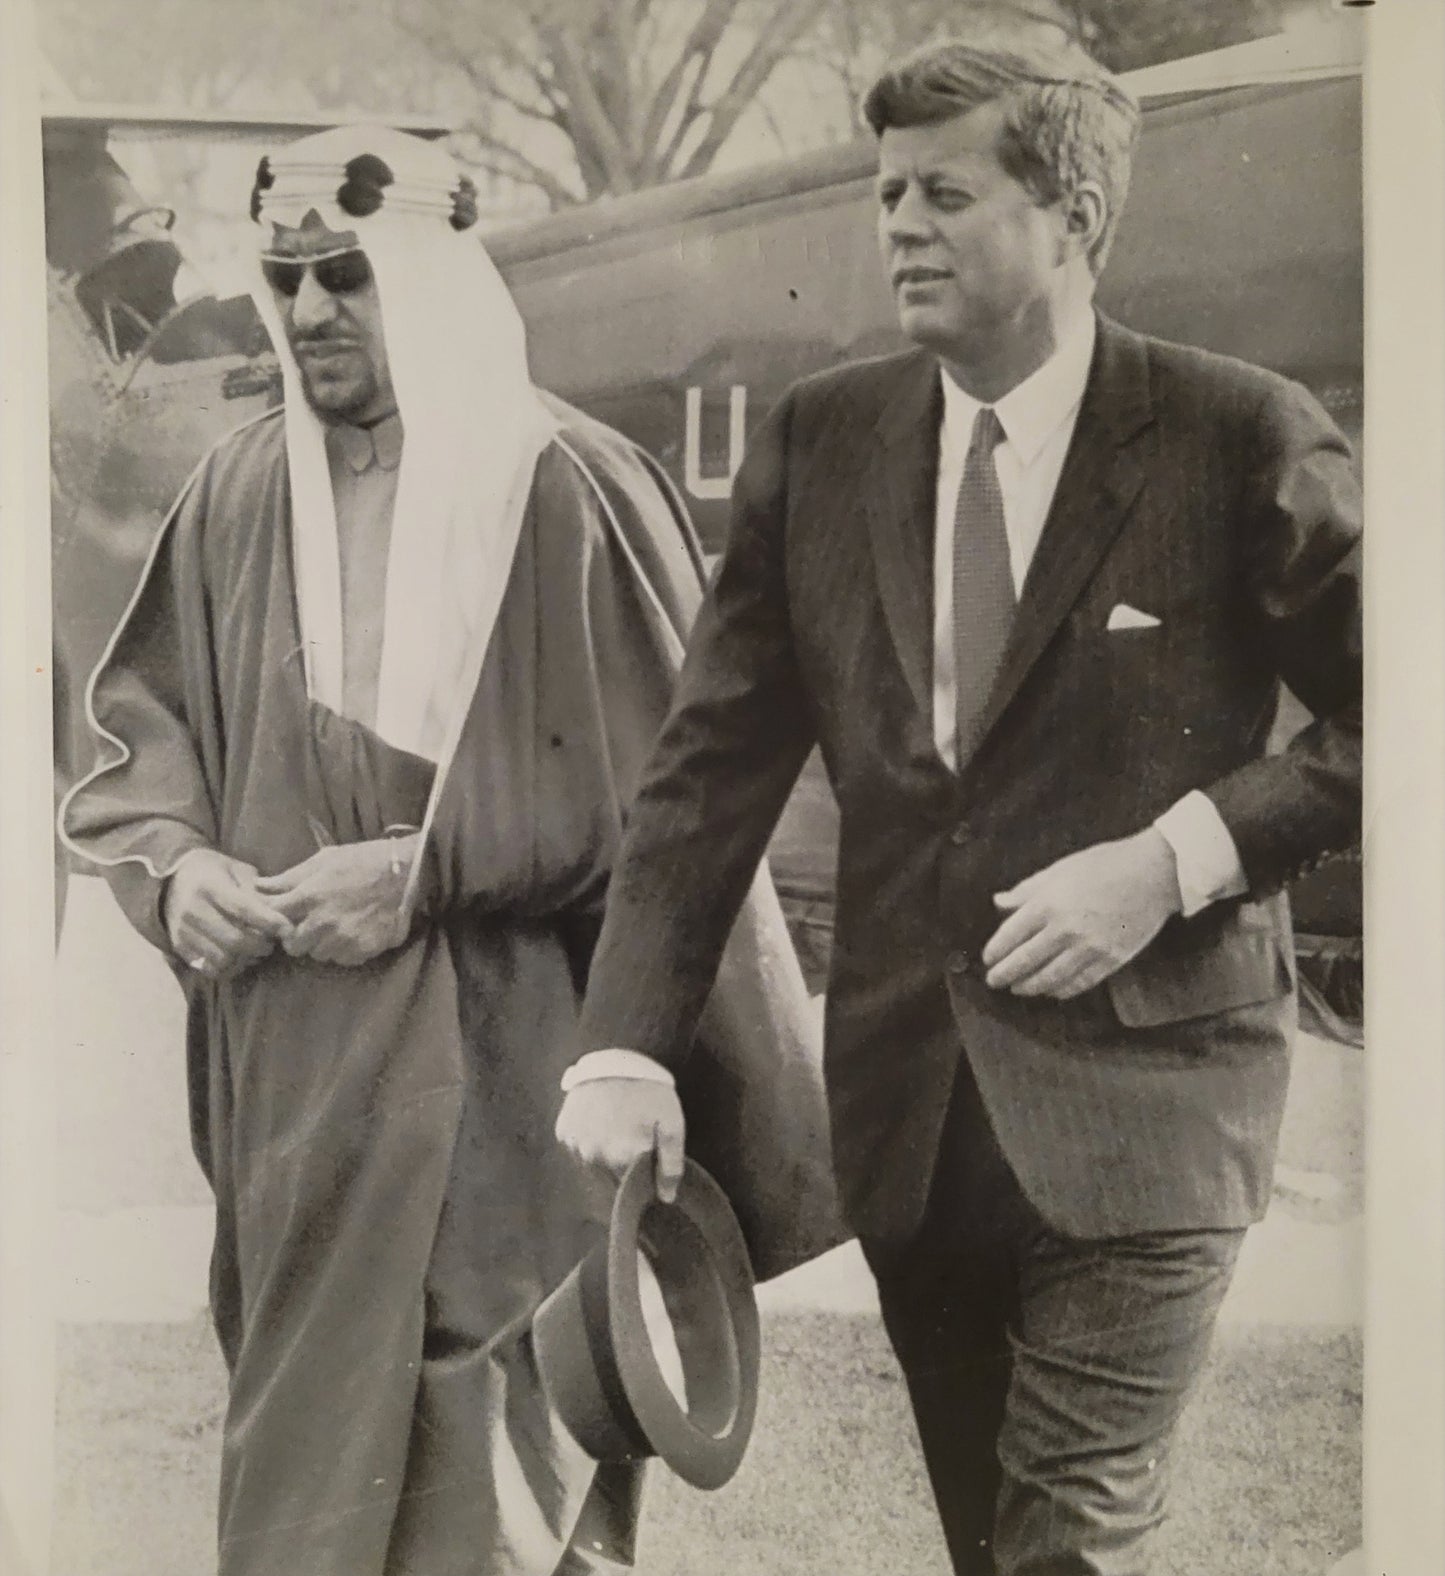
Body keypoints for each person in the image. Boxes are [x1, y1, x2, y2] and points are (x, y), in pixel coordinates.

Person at [556, 37, 1362, 1576]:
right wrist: (623, 1043)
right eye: (883, 194)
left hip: (1155, 1108)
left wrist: (1176, 857)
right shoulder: (822, 440)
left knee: (1070, 1542)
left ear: (1072, 216)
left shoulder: (1232, 432)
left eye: (943, 191)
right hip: (914, 1123)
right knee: (994, 1549)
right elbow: (707, 768)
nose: (898, 226)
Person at [59, 125, 836, 1576]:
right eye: (285, 280)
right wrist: (176, 869)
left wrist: (421, 874)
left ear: (427, 279)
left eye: (344, 278)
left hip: (510, 1085)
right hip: (296, 1104)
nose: (305, 318)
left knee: (504, 1504)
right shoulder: (231, 494)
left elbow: (680, 811)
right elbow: (134, 748)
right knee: (297, 1503)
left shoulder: (568, 487)